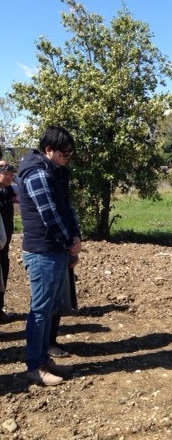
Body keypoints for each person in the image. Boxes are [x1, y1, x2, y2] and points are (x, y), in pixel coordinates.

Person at [17, 125, 81, 386]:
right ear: (48, 149)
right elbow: (49, 215)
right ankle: (35, 366)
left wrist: (75, 237)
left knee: (49, 308)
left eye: (70, 152)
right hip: (43, 251)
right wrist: (69, 242)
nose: (67, 156)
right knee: (41, 311)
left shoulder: (54, 172)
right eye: (63, 152)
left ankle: (43, 359)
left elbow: (66, 208)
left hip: (54, 250)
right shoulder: (38, 175)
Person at [0, 162, 18, 323]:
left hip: (5, 245)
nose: (10, 177)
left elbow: (20, 195)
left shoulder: (8, 190)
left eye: (12, 175)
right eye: (7, 174)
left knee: (3, 275)